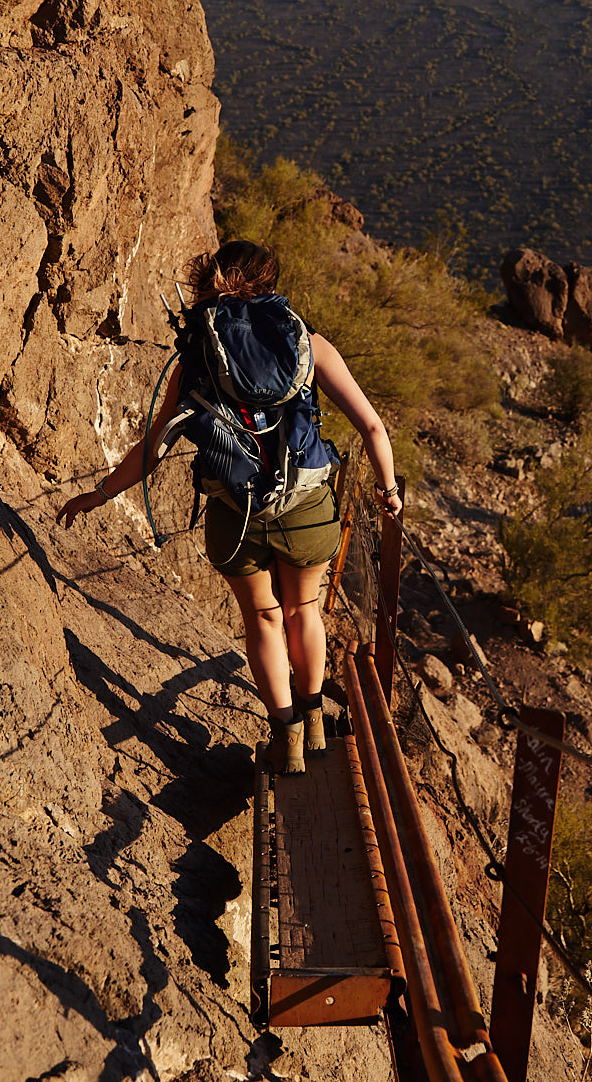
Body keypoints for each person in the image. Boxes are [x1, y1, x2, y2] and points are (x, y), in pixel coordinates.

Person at [57, 239, 402, 774]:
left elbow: (155, 447)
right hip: (306, 508)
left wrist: (99, 494)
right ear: (269, 281)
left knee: (262, 619)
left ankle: (285, 737)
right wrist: (388, 489)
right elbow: (373, 426)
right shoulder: (309, 347)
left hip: (234, 517)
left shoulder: (196, 356)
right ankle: (314, 725)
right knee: (303, 611)